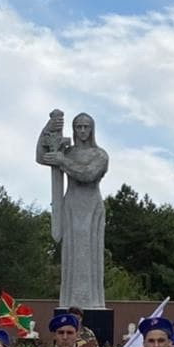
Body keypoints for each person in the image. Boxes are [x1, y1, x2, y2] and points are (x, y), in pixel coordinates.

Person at [36, 114, 108, 309]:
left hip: (91, 207)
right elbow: (41, 156)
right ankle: (70, 302)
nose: (82, 131)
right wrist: (49, 127)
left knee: (90, 256)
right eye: (78, 127)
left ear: (92, 129)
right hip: (72, 206)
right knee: (72, 255)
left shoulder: (100, 155)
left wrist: (62, 161)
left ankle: (92, 302)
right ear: (74, 129)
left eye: (86, 127)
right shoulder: (66, 152)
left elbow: (88, 174)